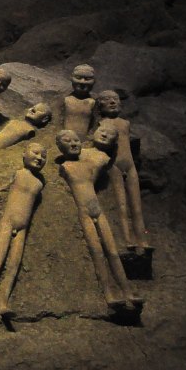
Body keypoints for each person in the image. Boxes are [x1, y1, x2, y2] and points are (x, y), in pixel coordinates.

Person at [57, 127, 143, 311]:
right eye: (67, 141)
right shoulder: (65, 167)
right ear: (59, 147)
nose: (73, 144)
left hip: (98, 211)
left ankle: (127, 290)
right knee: (97, 252)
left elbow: (100, 160)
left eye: (76, 140)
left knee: (112, 251)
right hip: (85, 213)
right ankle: (108, 294)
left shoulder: (91, 163)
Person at [0, 143, 47, 317]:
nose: (39, 158)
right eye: (36, 153)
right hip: (8, 223)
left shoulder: (39, 183)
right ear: (24, 154)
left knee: (14, 266)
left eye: (44, 156)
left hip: (23, 228)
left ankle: (3, 303)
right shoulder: (18, 173)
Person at [97, 91, 151, 252]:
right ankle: (127, 239)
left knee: (136, 206)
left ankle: (142, 240)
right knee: (121, 205)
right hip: (114, 165)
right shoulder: (102, 124)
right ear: (100, 105)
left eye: (115, 99)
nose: (112, 102)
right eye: (107, 99)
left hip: (130, 165)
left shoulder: (125, 123)